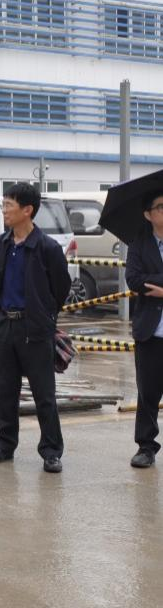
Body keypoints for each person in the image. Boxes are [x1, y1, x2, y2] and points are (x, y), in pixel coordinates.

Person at [0, 183, 71, 473]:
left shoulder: (47, 247)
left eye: (8, 205)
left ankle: (51, 451)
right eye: (4, 204)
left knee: (43, 394)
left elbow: (61, 288)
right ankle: (4, 444)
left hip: (34, 329)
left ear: (27, 210)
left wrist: (44, 317)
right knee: (4, 391)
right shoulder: (3, 243)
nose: (4, 210)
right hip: (5, 325)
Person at [128, 190, 163, 469]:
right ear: (148, 215)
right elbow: (134, 279)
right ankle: (146, 447)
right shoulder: (139, 244)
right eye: (161, 207)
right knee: (148, 392)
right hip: (150, 331)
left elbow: (148, 281)